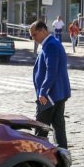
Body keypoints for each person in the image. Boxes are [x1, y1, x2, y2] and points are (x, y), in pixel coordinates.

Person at [30, 20, 71, 149]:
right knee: (58, 125)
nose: (33, 38)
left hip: (50, 95)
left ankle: (39, 156)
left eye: (34, 34)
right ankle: (62, 155)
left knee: (41, 126)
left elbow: (51, 71)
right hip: (57, 93)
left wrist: (42, 91)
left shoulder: (51, 45)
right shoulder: (51, 43)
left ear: (43, 30)